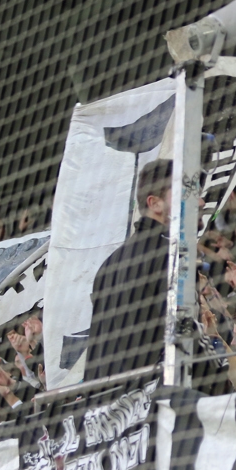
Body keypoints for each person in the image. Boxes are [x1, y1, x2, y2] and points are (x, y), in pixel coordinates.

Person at [82, 159, 178, 382]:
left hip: (105, 406)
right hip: (149, 400)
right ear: (155, 204)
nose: (199, 201)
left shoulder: (108, 265)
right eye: (185, 190)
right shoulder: (171, 255)